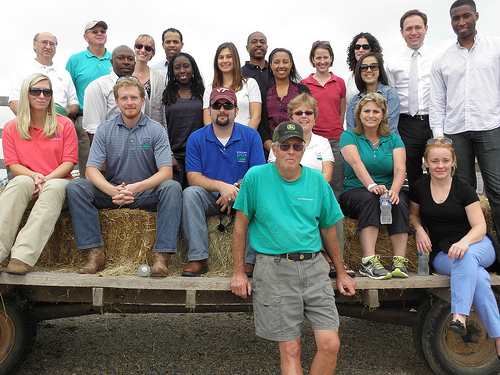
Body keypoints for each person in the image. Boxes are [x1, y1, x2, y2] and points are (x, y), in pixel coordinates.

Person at [231, 121, 356, 374]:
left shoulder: (317, 180)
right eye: (285, 146)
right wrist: (239, 272)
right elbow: (240, 227)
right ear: (274, 149)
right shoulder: (256, 177)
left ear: (304, 148)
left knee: (331, 344)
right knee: (290, 348)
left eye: (297, 146)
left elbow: (329, 227)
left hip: (314, 268)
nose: (291, 151)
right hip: (274, 268)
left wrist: (341, 271)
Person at [66, 77, 182, 277]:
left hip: (145, 195)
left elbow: (166, 171)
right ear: (117, 101)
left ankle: (161, 256)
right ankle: (95, 252)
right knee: (76, 187)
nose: (130, 102)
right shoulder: (104, 130)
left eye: (134, 98)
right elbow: (91, 170)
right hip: (114, 193)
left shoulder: (156, 130)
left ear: (143, 101)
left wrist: (134, 188)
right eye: (124, 98)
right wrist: (112, 190)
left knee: (172, 187)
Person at [409, 137, 500, 355]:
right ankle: (498, 338)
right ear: (426, 162)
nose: (440, 165)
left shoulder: (463, 189)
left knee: (466, 257)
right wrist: (419, 229)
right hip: (443, 253)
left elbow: (480, 226)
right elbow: (412, 216)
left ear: (453, 161)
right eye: (435, 161)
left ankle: (459, 316)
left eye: (445, 160)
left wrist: (464, 242)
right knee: (479, 278)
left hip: (477, 245)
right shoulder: (419, 188)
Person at [430, 0, 500, 239]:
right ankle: (473, 247)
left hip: (490, 126)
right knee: (463, 191)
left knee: (497, 190)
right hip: (455, 132)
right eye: (455, 18)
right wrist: (439, 138)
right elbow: (437, 102)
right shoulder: (442, 59)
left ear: (476, 16)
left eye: (466, 16)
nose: (461, 22)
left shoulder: (495, 48)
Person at [268, 93, 355, 278]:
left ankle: (335, 259)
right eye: (298, 113)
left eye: (309, 112)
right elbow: (273, 174)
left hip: (314, 193)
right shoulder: (278, 143)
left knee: (332, 206)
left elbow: (327, 175)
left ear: (315, 117)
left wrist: (308, 192)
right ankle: (322, 255)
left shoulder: (322, 142)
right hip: (285, 194)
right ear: (290, 118)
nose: (304, 116)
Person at [181, 87, 265, 277]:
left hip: (243, 196)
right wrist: (222, 187)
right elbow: (192, 177)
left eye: (227, 105)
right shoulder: (196, 138)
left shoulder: (251, 136)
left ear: (236, 110)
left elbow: (258, 174)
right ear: (209, 110)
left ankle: (250, 260)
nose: (222, 109)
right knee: (189, 193)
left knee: (258, 195)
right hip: (212, 196)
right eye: (217, 105)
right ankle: (198, 257)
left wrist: (234, 189)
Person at [1, 73, 78, 275]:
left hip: (58, 182)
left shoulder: (65, 124)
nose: (41, 96)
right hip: (29, 181)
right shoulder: (11, 128)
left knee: (52, 187)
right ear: (26, 94)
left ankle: (22, 257)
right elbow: (13, 164)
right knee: (18, 183)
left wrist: (46, 179)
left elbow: (69, 162)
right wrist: (35, 177)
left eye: (47, 91)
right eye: (35, 91)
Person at [340, 93, 409, 280]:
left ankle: (399, 261)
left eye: (376, 111)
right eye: (367, 111)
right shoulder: (349, 136)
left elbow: (400, 168)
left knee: (401, 201)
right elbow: (355, 163)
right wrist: (371, 185)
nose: (371, 115)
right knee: (370, 199)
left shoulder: (393, 139)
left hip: (386, 191)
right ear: (359, 115)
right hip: (356, 191)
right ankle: (368, 261)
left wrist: (394, 190)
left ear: (383, 115)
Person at [386, 9, 436, 186]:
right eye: (408, 29)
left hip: (434, 120)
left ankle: (438, 210)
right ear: (402, 32)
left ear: (426, 28)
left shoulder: (438, 57)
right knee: (411, 170)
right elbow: (390, 94)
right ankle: (414, 211)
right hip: (406, 123)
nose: (413, 32)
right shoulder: (392, 62)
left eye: (418, 27)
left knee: (438, 167)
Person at [151, 52, 204, 188]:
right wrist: (168, 155)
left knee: (194, 195)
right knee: (173, 192)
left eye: (186, 66)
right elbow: (156, 129)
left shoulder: (204, 93)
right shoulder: (162, 95)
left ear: (193, 69)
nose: (182, 71)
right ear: (171, 71)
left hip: (199, 156)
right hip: (173, 157)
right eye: (177, 67)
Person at [66, 20, 112, 177]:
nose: (99, 33)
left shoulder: (115, 58)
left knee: (114, 164)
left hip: (113, 119)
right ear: (85, 37)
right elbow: (68, 89)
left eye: (103, 31)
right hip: (85, 120)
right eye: (94, 31)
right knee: (89, 166)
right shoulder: (75, 60)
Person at [301, 41, 346, 198]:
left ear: (331, 58)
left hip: (336, 139)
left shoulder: (339, 82)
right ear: (312, 59)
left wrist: (335, 126)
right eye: (318, 57)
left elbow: (341, 111)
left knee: (336, 180)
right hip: (314, 139)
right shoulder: (304, 84)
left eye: (325, 57)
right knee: (313, 178)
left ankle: (334, 214)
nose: (322, 61)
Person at [9, 32, 79, 118]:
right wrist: (32, 120)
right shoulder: (22, 70)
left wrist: (63, 111)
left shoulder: (64, 73)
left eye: (52, 44)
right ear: (35, 44)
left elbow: (74, 105)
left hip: (59, 125)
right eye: (44, 42)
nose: (48, 47)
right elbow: (14, 102)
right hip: (30, 127)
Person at [258, 48, 310, 153]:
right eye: (277, 62)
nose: (281, 66)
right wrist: (274, 150)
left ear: (291, 64)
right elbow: (262, 125)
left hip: (298, 149)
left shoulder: (302, 90)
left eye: (285, 62)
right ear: (271, 66)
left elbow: (309, 120)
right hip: (271, 151)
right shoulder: (264, 93)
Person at [82, 45, 136, 141]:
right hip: (110, 147)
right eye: (121, 58)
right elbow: (93, 129)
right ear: (111, 62)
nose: (126, 62)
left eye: (130, 59)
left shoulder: (140, 88)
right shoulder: (97, 86)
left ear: (135, 63)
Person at [202, 42, 261, 130]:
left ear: (235, 59)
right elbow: (207, 121)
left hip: (244, 139)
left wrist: (246, 138)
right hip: (218, 141)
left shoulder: (250, 84)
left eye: (229, 57)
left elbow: (256, 117)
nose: (225, 60)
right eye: (221, 57)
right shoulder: (209, 89)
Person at [346, 52, 400, 135]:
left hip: (387, 145)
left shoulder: (391, 94)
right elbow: (351, 132)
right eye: (364, 67)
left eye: (373, 66)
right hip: (360, 146)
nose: (369, 70)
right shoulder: (353, 101)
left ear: (380, 70)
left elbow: (390, 128)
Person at [345, 33, 383, 106]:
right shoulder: (351, 77)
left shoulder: (379, 71)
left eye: (366, 47)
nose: (361, 50)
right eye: (357, 47)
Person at [132, 34, 165, 117]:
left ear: (152, 53)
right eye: (139, 46)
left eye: (148, 48)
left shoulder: (158, 76)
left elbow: (158, 106)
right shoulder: (125, 72)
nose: (143, 50)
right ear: (134, 48)